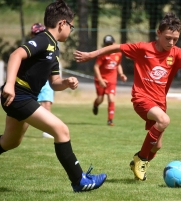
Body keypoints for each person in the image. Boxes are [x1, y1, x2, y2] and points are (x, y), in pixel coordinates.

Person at [74, 13, 181, 181]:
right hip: (141, 98)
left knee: (157, 146)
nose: (171, 42)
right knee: (164, 120)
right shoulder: (143, 48)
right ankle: (141, 159)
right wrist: (92, 54)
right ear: (158, 33)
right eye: (167, 38)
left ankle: (138, 162)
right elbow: (116, 47)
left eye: (175, 39)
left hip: (160, 103)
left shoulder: (176, 52)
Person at [0, 0, 106, 192]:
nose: (71, 30)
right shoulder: (43, 39)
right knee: (61, 130)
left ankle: (79, 180)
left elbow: (54, 82)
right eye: (71, 26)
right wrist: (9, 84)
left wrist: (66, 83)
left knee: (10, 142)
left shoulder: (55, 49)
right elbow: (16, 54)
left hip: (26, 97)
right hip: (18, 95)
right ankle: (79, 181)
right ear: (62, 23)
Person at [92, 35, 127, 126]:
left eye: (110, 44)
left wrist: (121, 74)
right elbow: (96, 67)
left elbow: (118, 65)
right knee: (100, 99)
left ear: (114, 43)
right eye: (107, 44)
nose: (109, 46)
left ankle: (110, 120)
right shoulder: (103, 54)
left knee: (111, 98)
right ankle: (96, 104)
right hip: (101, 79)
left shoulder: (118, 54)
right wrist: (100, 79)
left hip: (111, 80)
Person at [31, 22, 55, 139]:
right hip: (29, 83)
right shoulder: (30, 47)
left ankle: (46, 130)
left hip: (45, 82)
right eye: (36, 34)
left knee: (46, 104)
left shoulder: (51, 47)